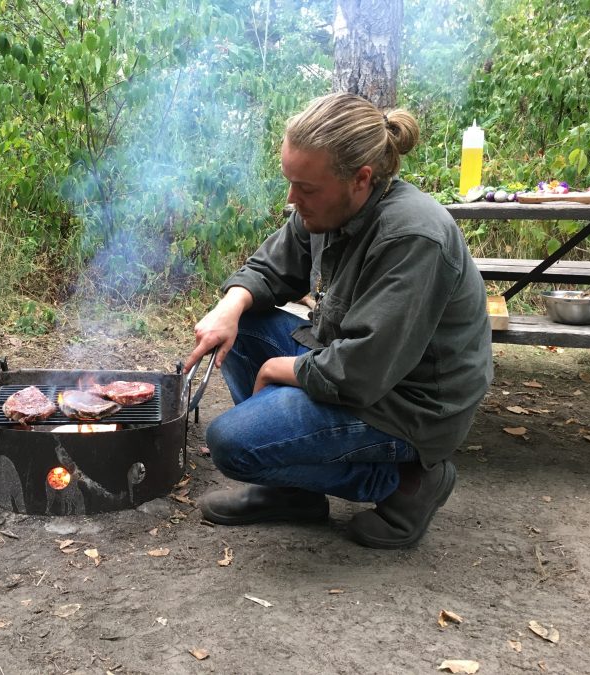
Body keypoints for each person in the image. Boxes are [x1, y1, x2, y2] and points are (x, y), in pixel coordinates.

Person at [184, 93, 493, 549]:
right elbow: (269, 269)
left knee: (233, 442)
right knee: (242, 326)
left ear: (361, 179)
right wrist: (228, 307)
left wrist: (276, 369)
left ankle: (407, 481)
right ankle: (292, 494)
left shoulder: (412, 236)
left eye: (305, 188)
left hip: (408, 406)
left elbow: (361, 371)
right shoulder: (328, 207)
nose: (292, 199)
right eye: (291, 183)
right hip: (357, 369)